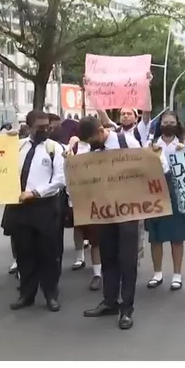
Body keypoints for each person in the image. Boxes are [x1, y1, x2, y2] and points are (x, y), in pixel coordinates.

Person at [82, 115, 149, 330]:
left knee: (127, 260)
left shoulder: (126, 141)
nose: (91, 143)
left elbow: (144, 169)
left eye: (93, 138)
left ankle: (126, 309)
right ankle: (109, 301)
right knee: (108, 256)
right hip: (103, 211)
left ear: (102, 130)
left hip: (127, 209)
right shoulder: (89, 149)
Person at [2, 110, 66, 312]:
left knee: (49, 253)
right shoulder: (17, 146)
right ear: (28, 127)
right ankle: (26, 294)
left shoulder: (54, 148)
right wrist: (4, 140)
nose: (44, 129)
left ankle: (50, 294)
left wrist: (35, 193)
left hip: (45, 207)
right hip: (20, 208)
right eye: (39, 127)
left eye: (47, 126)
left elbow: (60, 180)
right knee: (24, 252)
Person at [145, 111, 185, 291]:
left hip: (178, 192)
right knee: (155, 236)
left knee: (177, 235)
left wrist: (184, 155)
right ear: (160, 124)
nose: (168, 124)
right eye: (165, 122)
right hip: (155, 192)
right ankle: (157, 273)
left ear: (177, 124)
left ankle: (177, 275)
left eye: (172, 122)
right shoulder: (150, 145)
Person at [65, 125, 103, 291]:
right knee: (79, 226)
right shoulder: (73, 146)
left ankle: (98, 272)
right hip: (78, 194)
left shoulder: (98, 147)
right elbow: (66, 166)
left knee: (96, 237)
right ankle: (80, 257)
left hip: (97, 195)